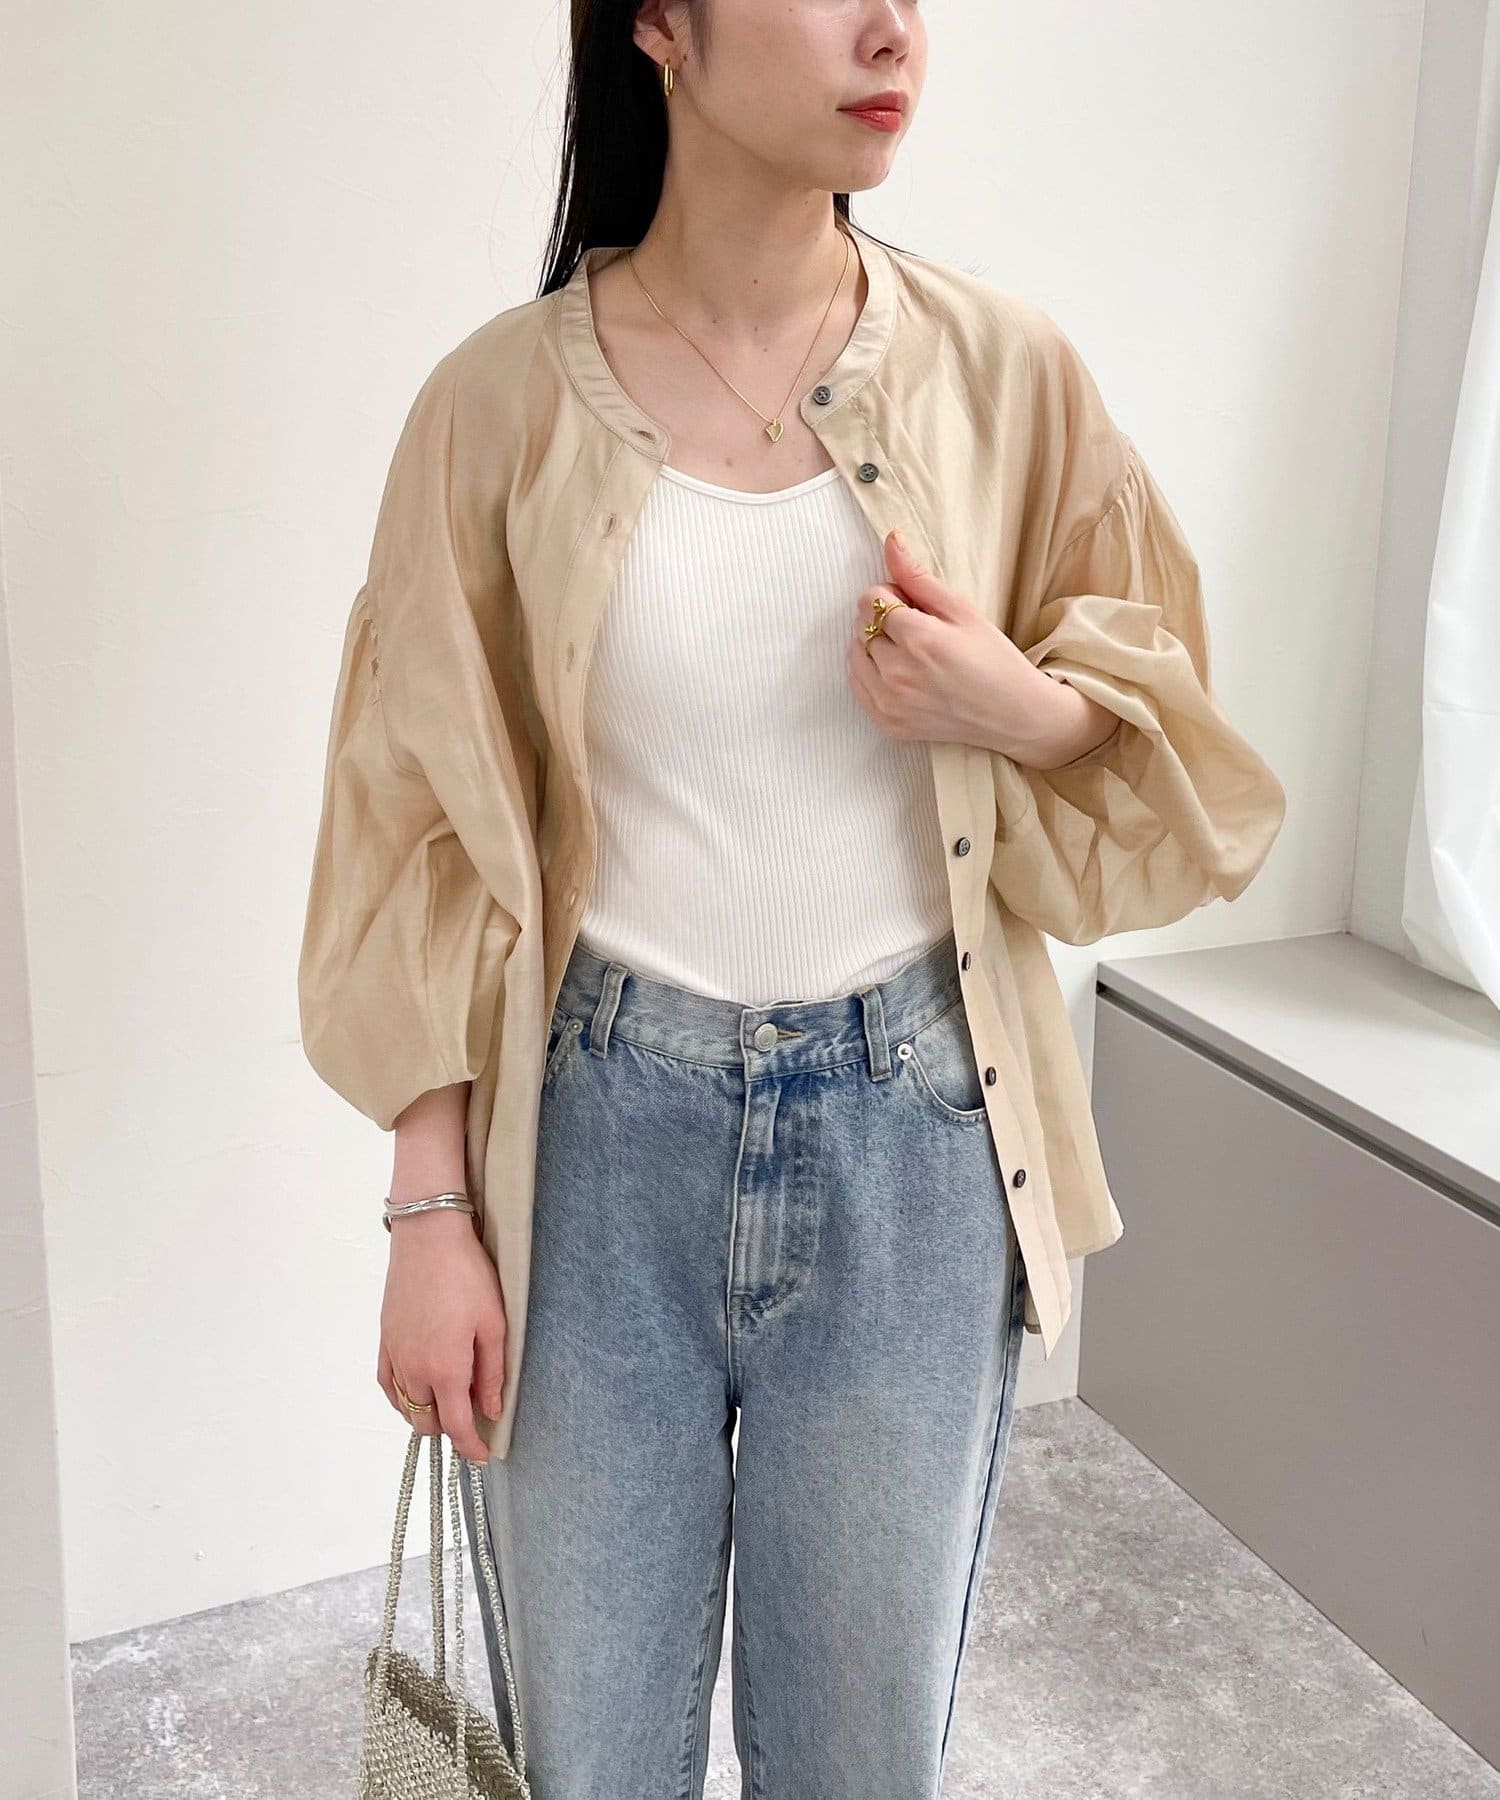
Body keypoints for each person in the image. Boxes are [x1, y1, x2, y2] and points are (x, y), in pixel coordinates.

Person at [297, 0, 1286, 1792]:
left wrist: (1022, 708)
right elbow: (412, 819)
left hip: (914, 1146)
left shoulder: (1008, 374)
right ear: (660, 26)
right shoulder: (495, 406)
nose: (894, 28)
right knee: (590, 1757)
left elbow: (1180, 782)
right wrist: (428, 1209)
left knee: (860, 1758)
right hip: (590, 1157)